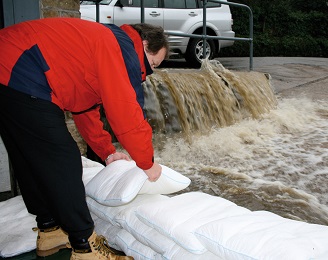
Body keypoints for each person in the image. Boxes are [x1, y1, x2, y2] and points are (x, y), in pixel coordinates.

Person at [0, 17, 169, 260]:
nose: (147, 73)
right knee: (63, 159)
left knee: (30, 155)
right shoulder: (120, 50)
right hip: (22, 67)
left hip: (9, 67)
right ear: (143, 45)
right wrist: (147, 162)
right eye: (152, 64)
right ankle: (85, 246)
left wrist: (107, 151)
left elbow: (85, 109)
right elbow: (126, 112)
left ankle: (50, 230)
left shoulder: (101, 44)